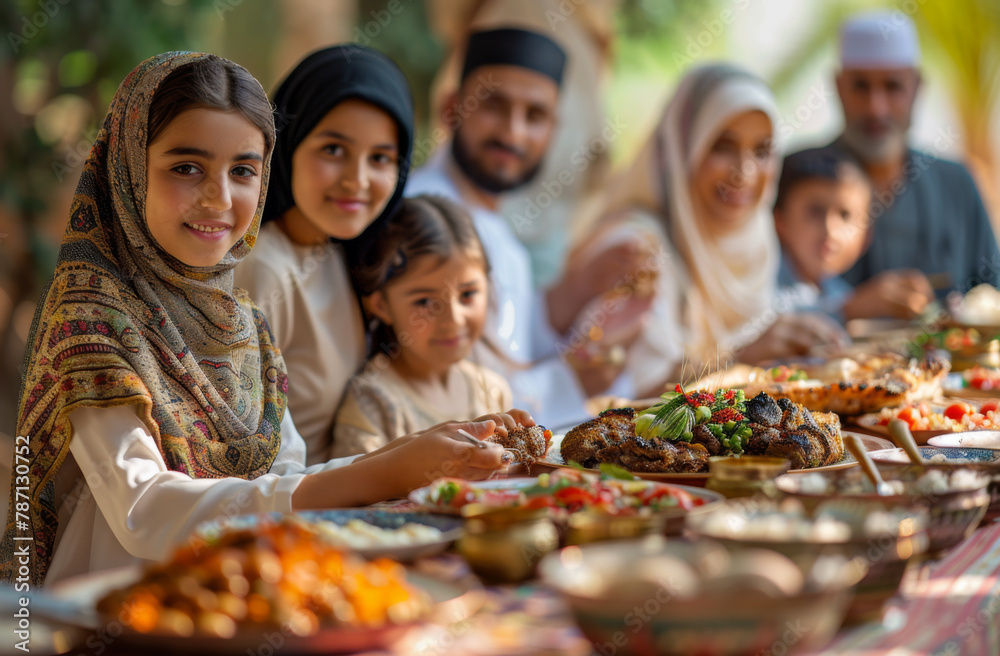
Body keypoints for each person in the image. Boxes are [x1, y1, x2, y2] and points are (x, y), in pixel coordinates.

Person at [2, 53, 521, 586]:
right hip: (117, 610)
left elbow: (286, 479)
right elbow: (145, 510)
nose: (219, 198)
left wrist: (414, 453)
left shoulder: (242, 319)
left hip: (239, 596)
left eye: (243, 171)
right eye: (186, 167)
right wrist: (382, 470)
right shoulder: (92, 317)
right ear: (128, 167)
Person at [407, 26, 648, 428]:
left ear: (552, 131)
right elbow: (442, 395)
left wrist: (578, 288)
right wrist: (572, 380)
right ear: (451, 109)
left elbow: (509, 344)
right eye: (494, 106)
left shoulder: (493, 223)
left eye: (534, 116)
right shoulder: (421, 218)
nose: (512, 132)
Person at [575, 64, 848, 395]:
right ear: (682, 147)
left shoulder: (755, 242)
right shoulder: (633, 249)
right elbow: (617, 398)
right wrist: (738, 358)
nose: (744, 173)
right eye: (722, 146)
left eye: (762, 151)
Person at [234, 45, 415, 463]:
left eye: (381, 158)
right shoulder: (262, 269)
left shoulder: (339, 251)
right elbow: (244, 456)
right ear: (287, 143)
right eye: (333, 149)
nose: (357, 180)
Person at [832, 10, 999, 304]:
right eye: (861, 86)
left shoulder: (956, 182)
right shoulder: (795, 179)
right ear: (838, 87)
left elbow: (990, 297)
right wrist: (846, 307)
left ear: (917, 87)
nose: (876, 109)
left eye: (892, 86)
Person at [333, 196, 512, 457]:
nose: (453, 319)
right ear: (381, 305)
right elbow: (351, 493)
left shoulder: (493, 391)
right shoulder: (375, 402)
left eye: (467, 294)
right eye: (425, 301)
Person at [774, 146, 881, 321]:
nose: (830, 229)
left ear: (865, 237)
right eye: (815, 211)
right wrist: (845, 312)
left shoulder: (838, 291)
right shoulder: (760, 282)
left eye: (845, 215)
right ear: (780, 220)